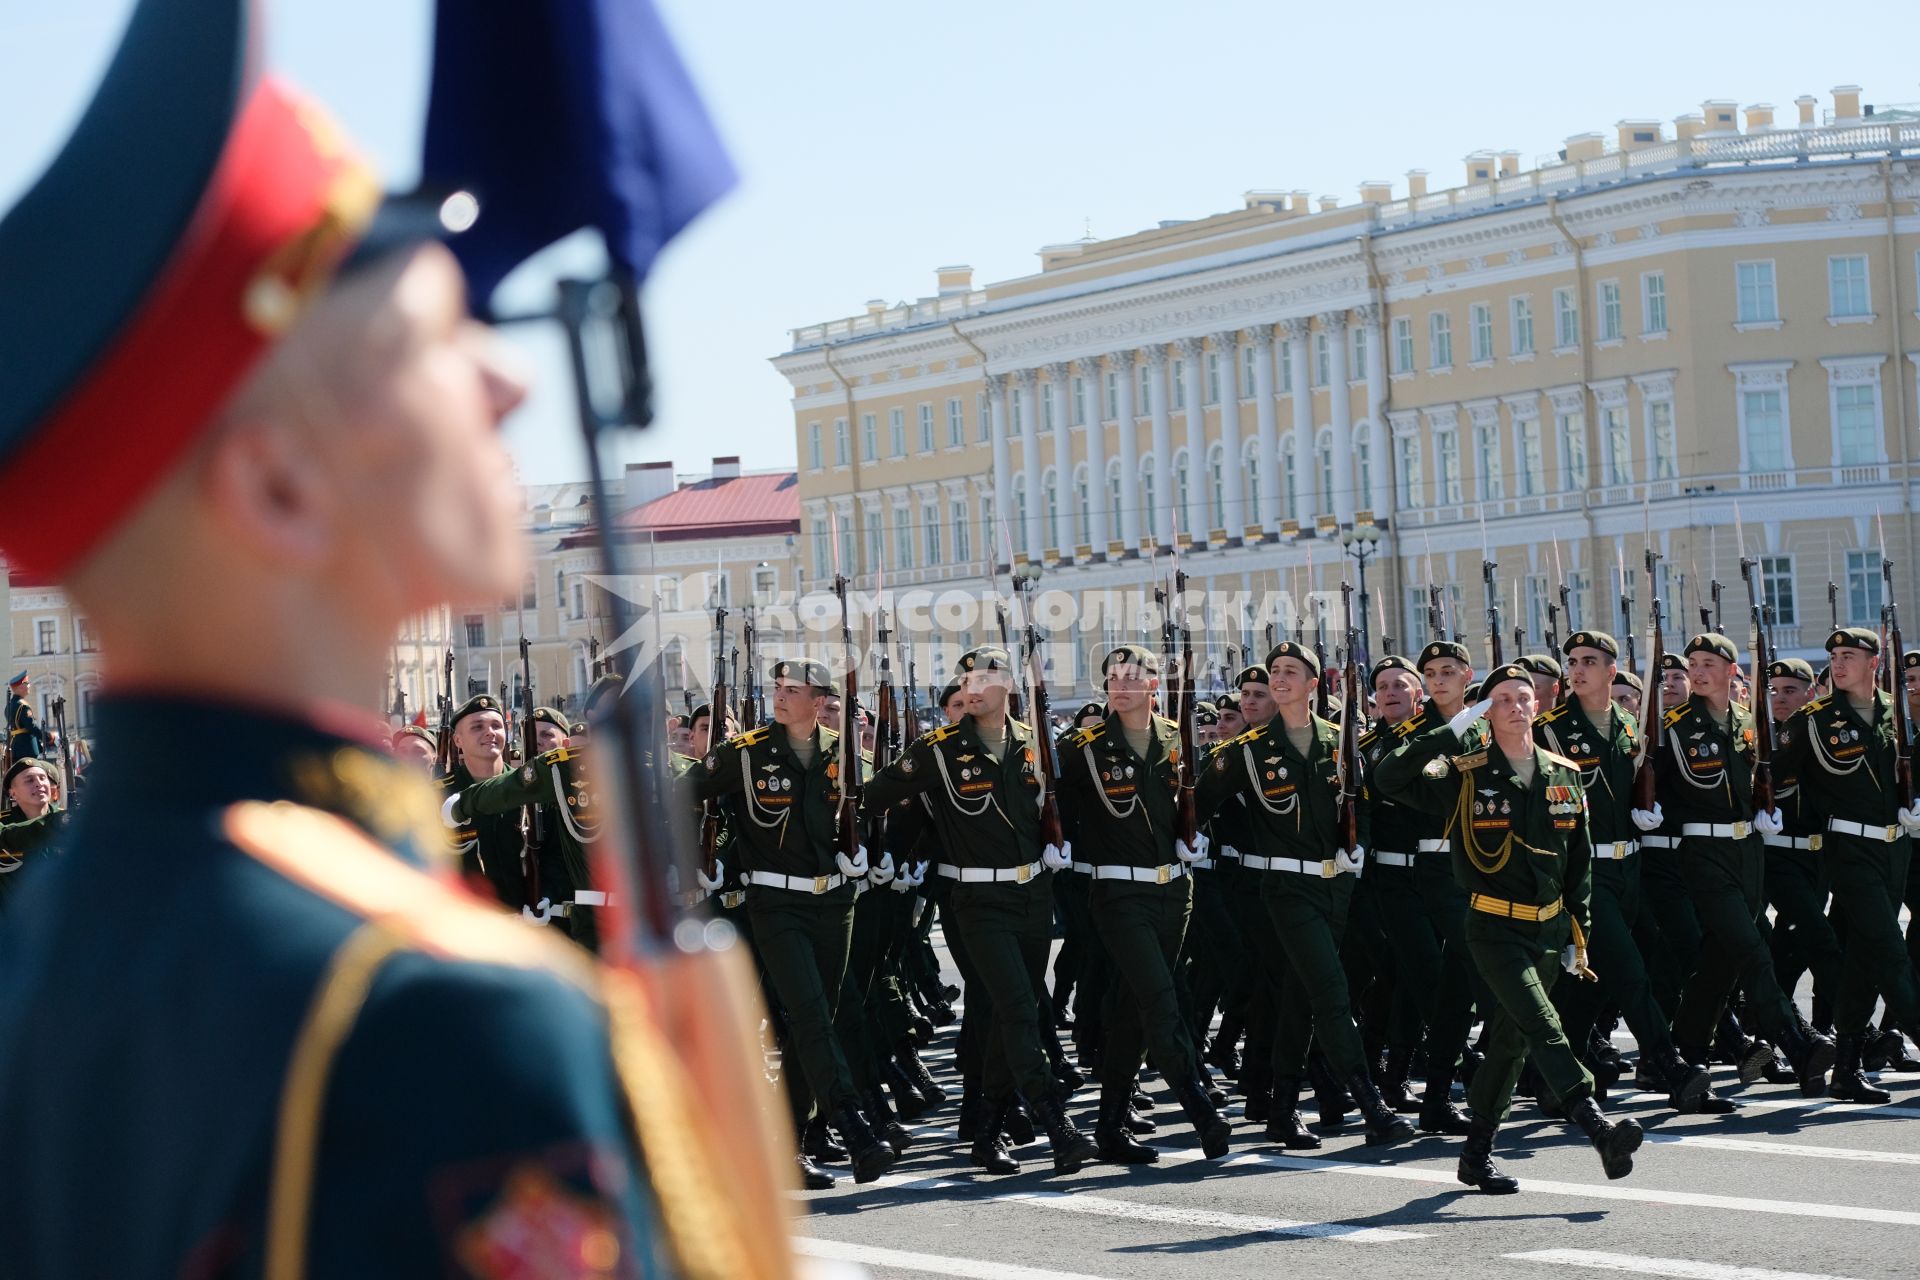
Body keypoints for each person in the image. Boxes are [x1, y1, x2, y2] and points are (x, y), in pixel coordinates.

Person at [0, 0, 695, 1268]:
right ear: (278, 490)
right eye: (434, 340)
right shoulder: (443, 1013)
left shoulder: (48, 938)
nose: (510, 379)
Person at [1377, 663, 1645, 1194]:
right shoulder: (1466, 772)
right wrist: (1448, 730)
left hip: (1547, 932)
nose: (1516, 706)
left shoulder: (1563, 772)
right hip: (1492, 926)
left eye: (1524, 697)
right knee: (1542, 1024)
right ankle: (1597, 1128)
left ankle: (1476, 1154)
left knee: (1511, 1042)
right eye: (1502, 699)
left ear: (1538, 706)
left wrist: (1578, 932)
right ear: (1486, 711)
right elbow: (1388, 777)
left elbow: (1579, 862)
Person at [864, 647, 1100, 1176]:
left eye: (984, 677)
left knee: (1000, 1016)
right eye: (965, 678)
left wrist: (1063, 842)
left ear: (1010, 684)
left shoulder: (1036, 743)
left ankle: (986, 1130)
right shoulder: (938, 748)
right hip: (974, 900)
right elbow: (874, 798)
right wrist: (892, 850)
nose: (971, 687)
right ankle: (1055, 1119)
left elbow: (1068, 805)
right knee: (1018, 1008)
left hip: (1033, 896)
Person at [685, 659, 899, 1185]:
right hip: (774, 905)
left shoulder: (843, 755)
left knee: (815, 1020)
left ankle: (791, 1144)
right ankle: (853, 1127)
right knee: (808, 1013)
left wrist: (874, 851)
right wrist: (704, 853)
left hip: (835, 905)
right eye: (777, 687)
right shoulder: (746, 752)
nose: (779, 697)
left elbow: (883, 803)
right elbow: (681, 794)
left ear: (821, 700)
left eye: (793, 690)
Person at [1197, 641, 1414, 1149]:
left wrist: (1362, 848)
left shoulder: (1342, 743)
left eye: (1291, 671)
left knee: (1300, 996)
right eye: (1275, 670)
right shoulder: (1247, 751)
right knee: (1331, 992)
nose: (1280, 677)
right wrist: (1195, 845)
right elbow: (1197, 804)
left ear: (1314, 684)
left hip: (1334, 886)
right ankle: (1371, 1104)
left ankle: (1283, 1109)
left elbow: (1370, 808)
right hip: (1284, 888)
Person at [1639, 635, 1836, 1091]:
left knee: (1720, 960)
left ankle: (1674, 1055)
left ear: (1732, 671)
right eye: (1692, 665)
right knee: (1751, 947)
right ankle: (1796, 1039)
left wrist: (1765, 811)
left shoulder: (1749, 723)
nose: (1697, 672)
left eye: (1708, 664)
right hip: (1703, 854)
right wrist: (1644, 811)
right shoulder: (1673, 726)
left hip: (1749, 852)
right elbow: (1651, 785)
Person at [1057, 645, 1230, 1164]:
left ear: (1155, 685)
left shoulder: (1179, 739)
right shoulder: (1082, 748)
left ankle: (1110, 1126)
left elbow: (1203, 801)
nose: (1122, 684)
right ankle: (1200, 1107)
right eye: (1113, 677)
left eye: (1133, 676)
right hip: (1117, 892)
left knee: (1135, 1007)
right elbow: (1047, 803)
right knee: (1159, 997)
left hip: (1174, 890)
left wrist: (1198, 833)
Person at [1536, 632, 1719, 1114]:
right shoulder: (1550, 731)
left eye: (1589, 662)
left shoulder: (1631, 725)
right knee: (1630, 972)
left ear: (1611, 672)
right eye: (1572, 662)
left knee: (1594, 981)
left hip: (1631, 866)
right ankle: (1670, 1066)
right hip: (1586, 872)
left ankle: (1559, 1074)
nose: (1576, 670)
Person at [1773, 628, 1920, 1102]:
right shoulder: (1814, 720)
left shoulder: (1897, 713)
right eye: (1834, 655)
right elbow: (1774, 779)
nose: (1837, 663)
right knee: (1890, 951)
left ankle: (1846, 1068)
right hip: (1848, 851)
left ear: (1873, 663)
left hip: (1896, 849)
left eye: (1849, 656)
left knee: (1862, 959)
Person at [5, 673, 48, 765]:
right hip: (27, 747)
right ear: (21, 687)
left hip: (15, 746)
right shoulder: (23, 706)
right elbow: (31, 726)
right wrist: (47, 737)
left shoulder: (8, 706)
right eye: (27, 683)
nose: (29, 685)